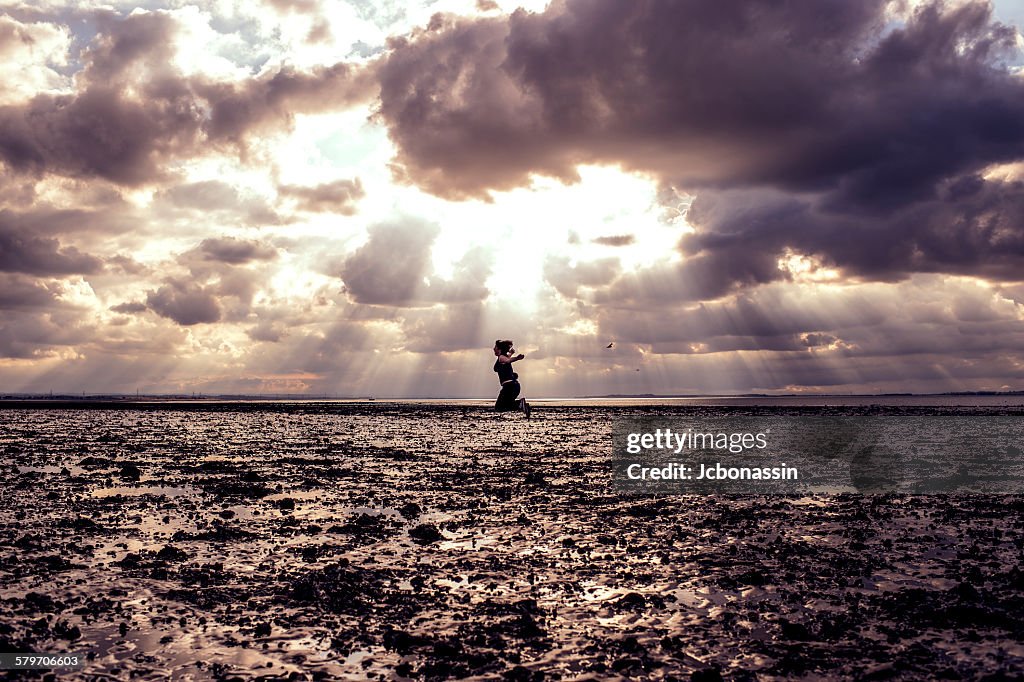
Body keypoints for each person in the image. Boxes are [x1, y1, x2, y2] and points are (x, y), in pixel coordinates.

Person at [493, 339, 530, 419]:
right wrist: (511, 353)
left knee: (499, 407)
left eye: (495, 347)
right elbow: (507, 359)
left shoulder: (501, 358)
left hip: (510, 387)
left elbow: (508, 360)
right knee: (504, 406)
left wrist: (517, 358)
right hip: (512, 386)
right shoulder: (502, 357)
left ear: (499, 349)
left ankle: (520, 404)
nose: (494, 349)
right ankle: (521, 405)